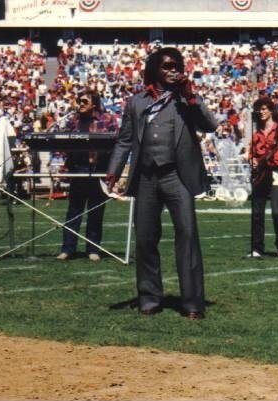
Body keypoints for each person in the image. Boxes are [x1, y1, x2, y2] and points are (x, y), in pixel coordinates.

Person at [105, 47, 216, 318]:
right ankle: (149, 297)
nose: (172, 71)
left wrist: (191, 97)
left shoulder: (185, 100)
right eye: (166, 66)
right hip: (145, 177)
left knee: (187, 236)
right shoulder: (136, 102)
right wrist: (113, 171)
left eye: (176, 66)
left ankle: (192, 303)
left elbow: (210, 125)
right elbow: (125, 141)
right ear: (154, 69)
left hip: (177, 176)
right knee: (145, 238)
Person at [56, 89, 118, 262]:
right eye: (79, 101)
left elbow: (116, 144)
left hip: (99, 170)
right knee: (74, 211)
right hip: (78, 169)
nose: (80, 104)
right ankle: (68, 249)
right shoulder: (73, 120)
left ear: (94, 104)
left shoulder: (108, 119)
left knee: (96, 211)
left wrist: (100, 154)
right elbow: (65, 143)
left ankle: (93, 248)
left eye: (84, 101)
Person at [246, 96, 278, 260]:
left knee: (276, 210)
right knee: (257, 211)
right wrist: (252, 161)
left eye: (264, 109)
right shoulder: (256, 133)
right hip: (260, 173)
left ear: (270, 110)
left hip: (276, 171)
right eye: (259, 109)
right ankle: (257, 249)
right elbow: (251, 154)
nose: (261, 112)